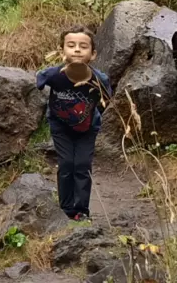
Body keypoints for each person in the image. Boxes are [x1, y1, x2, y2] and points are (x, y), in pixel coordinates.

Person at [35, 25, 111, 221]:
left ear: (93, 54)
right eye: (71, 45)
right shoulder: (55, 74)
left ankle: (81, 211)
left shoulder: (98, 79)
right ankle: (66, 209)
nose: (77, 49)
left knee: (82, 165)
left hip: (87, 128)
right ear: (62, 51)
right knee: (67, 163)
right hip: (60, 127)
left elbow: (106, 100)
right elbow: (38, 80)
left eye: (83, 46)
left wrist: (92, 116)